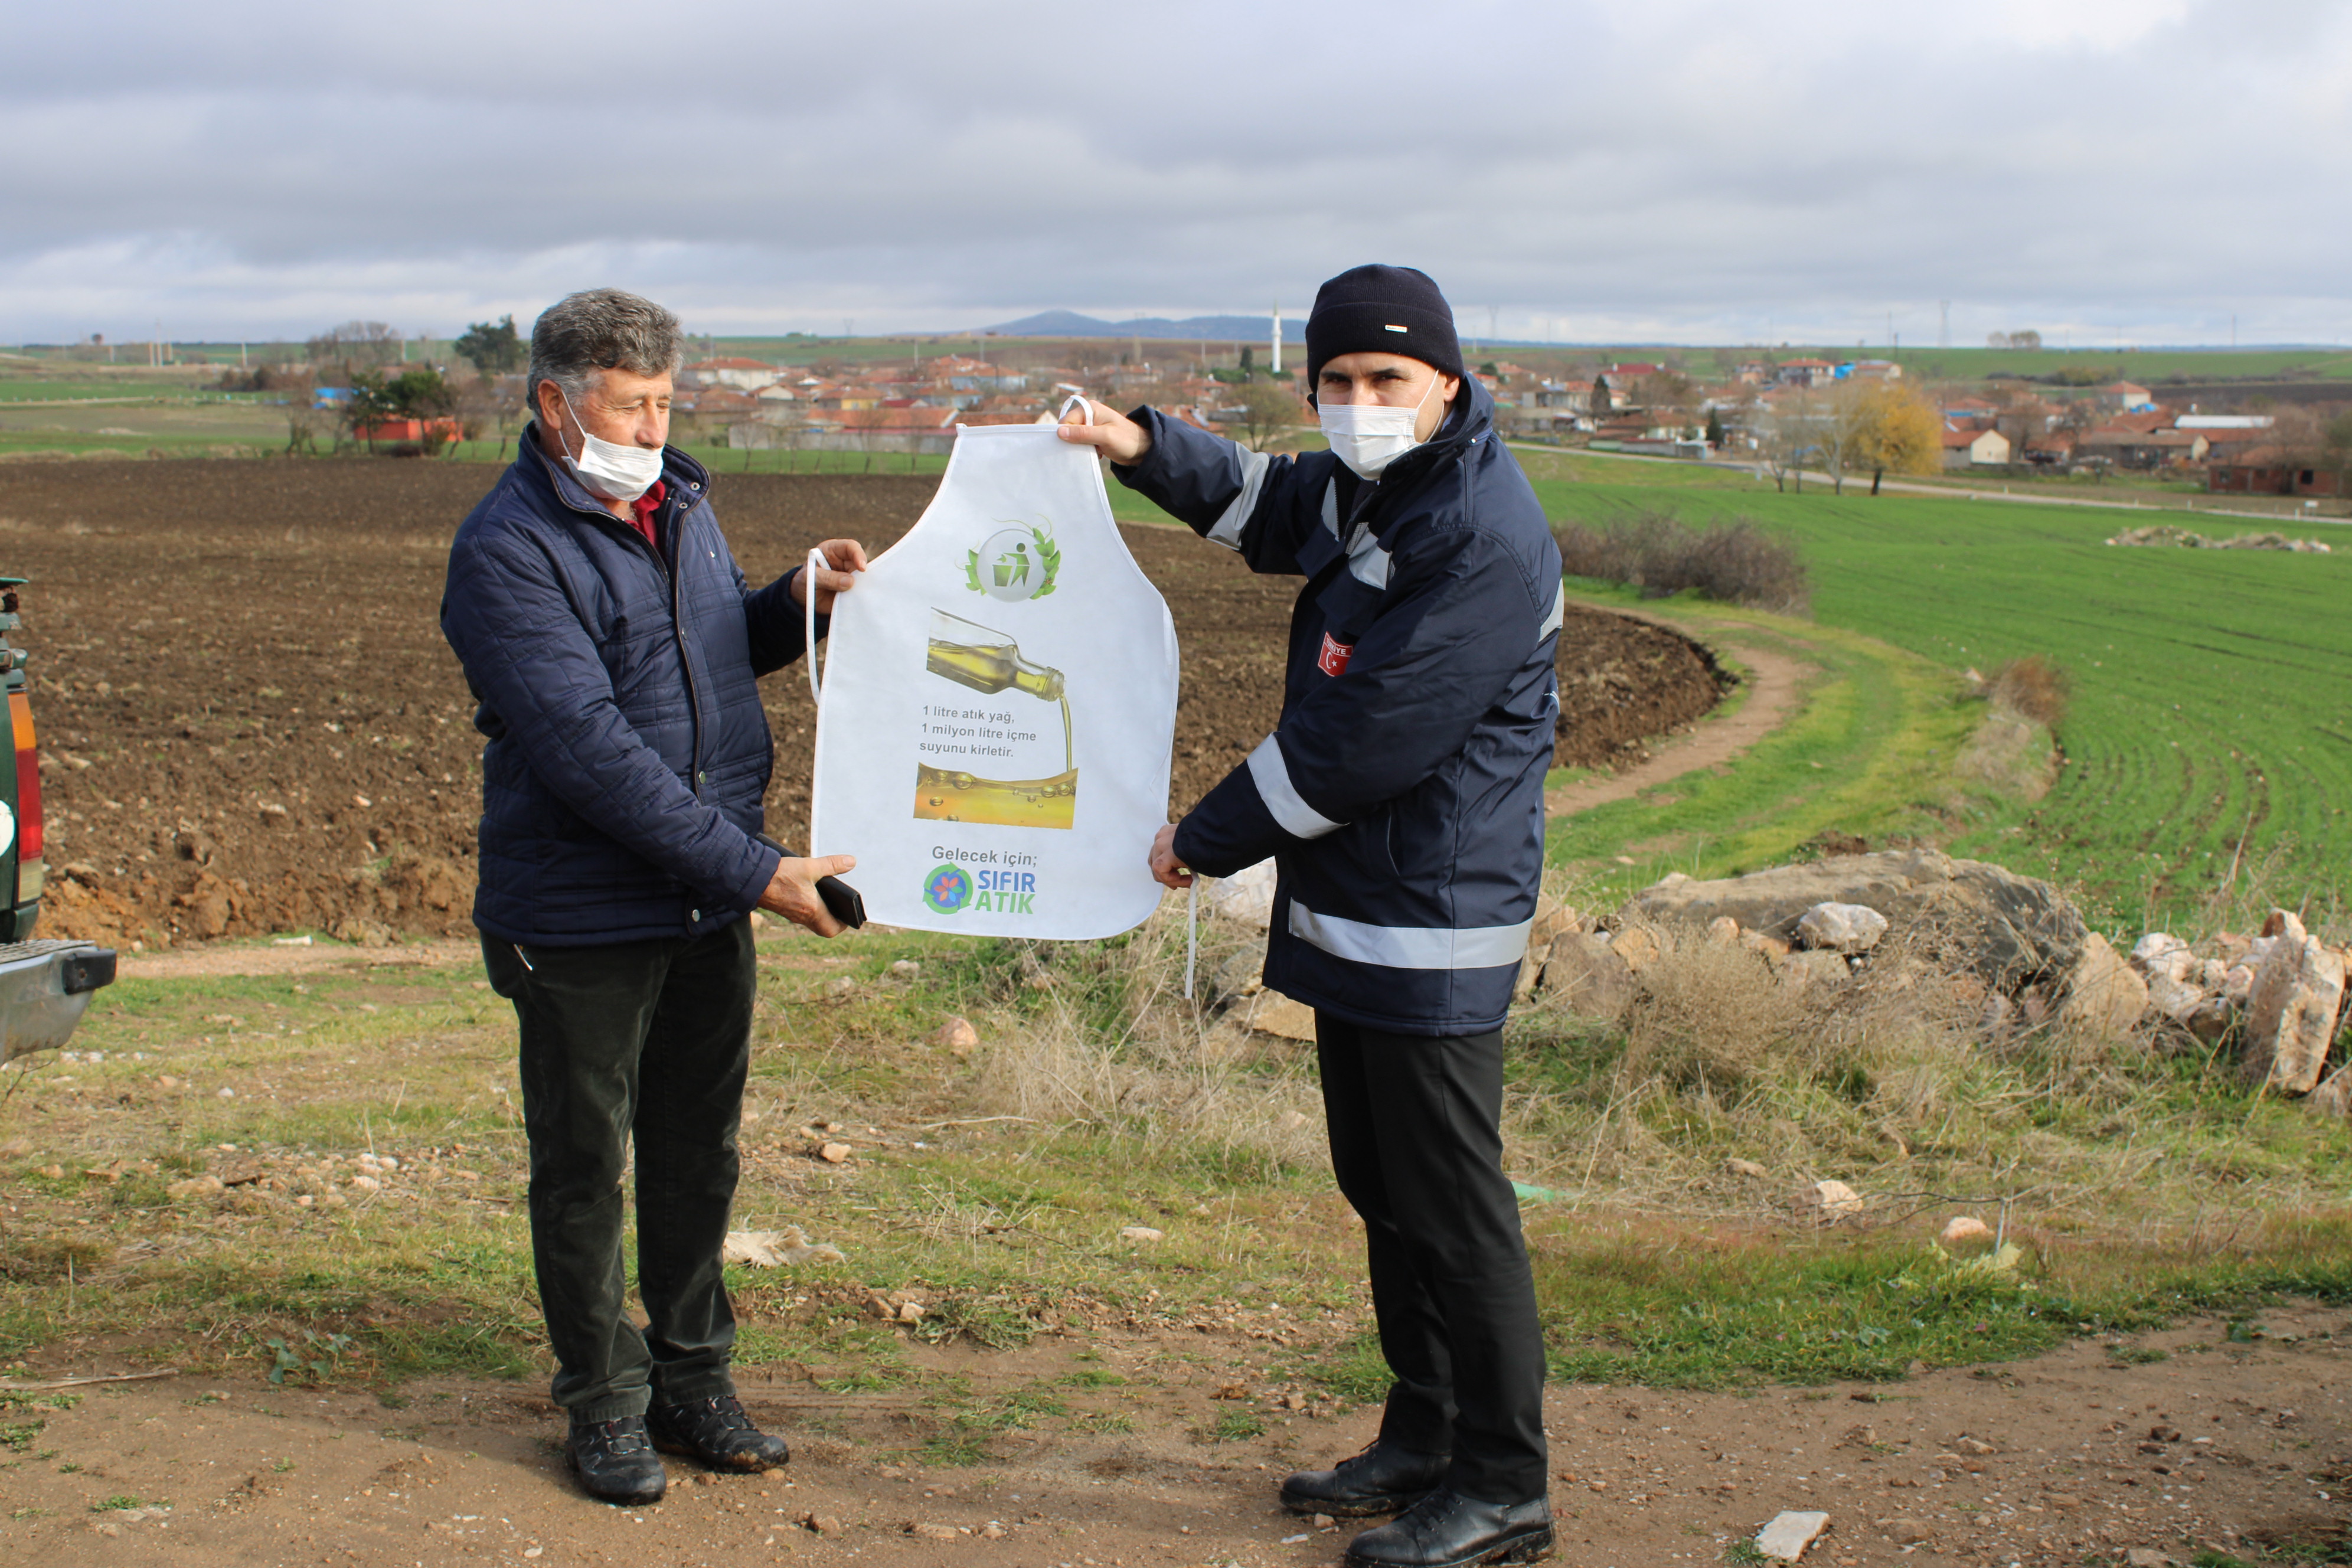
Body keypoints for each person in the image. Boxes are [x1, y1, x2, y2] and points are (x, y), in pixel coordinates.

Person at [1060, 264, 1562, 1568]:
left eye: (1385, 379)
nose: (1357, 403)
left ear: (1446, 382)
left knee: (1454, 1206)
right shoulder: (1376, 483)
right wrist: (1135, 445)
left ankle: (1505, 1482)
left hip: (1433, 919)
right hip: (1358, 913)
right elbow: (1265, 500)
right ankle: (1426, 1432)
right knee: (1384, 1188)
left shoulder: (1481, 533)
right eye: (1335, 382)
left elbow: (1360, 742)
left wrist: (1203, 837)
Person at [441, 288, 863, 1507]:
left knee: (698, 1154)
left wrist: (797, 601)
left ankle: (694, 1380)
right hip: (581, 915)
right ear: (556, 403)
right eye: (632, 404)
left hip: (701, 899)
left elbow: (703, 656)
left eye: (668, 401)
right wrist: (756, 869)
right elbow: (588, 747)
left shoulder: (682, 504)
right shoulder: (508, 549)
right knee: (585, 1164)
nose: (652, 423)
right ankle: (605, 1402)